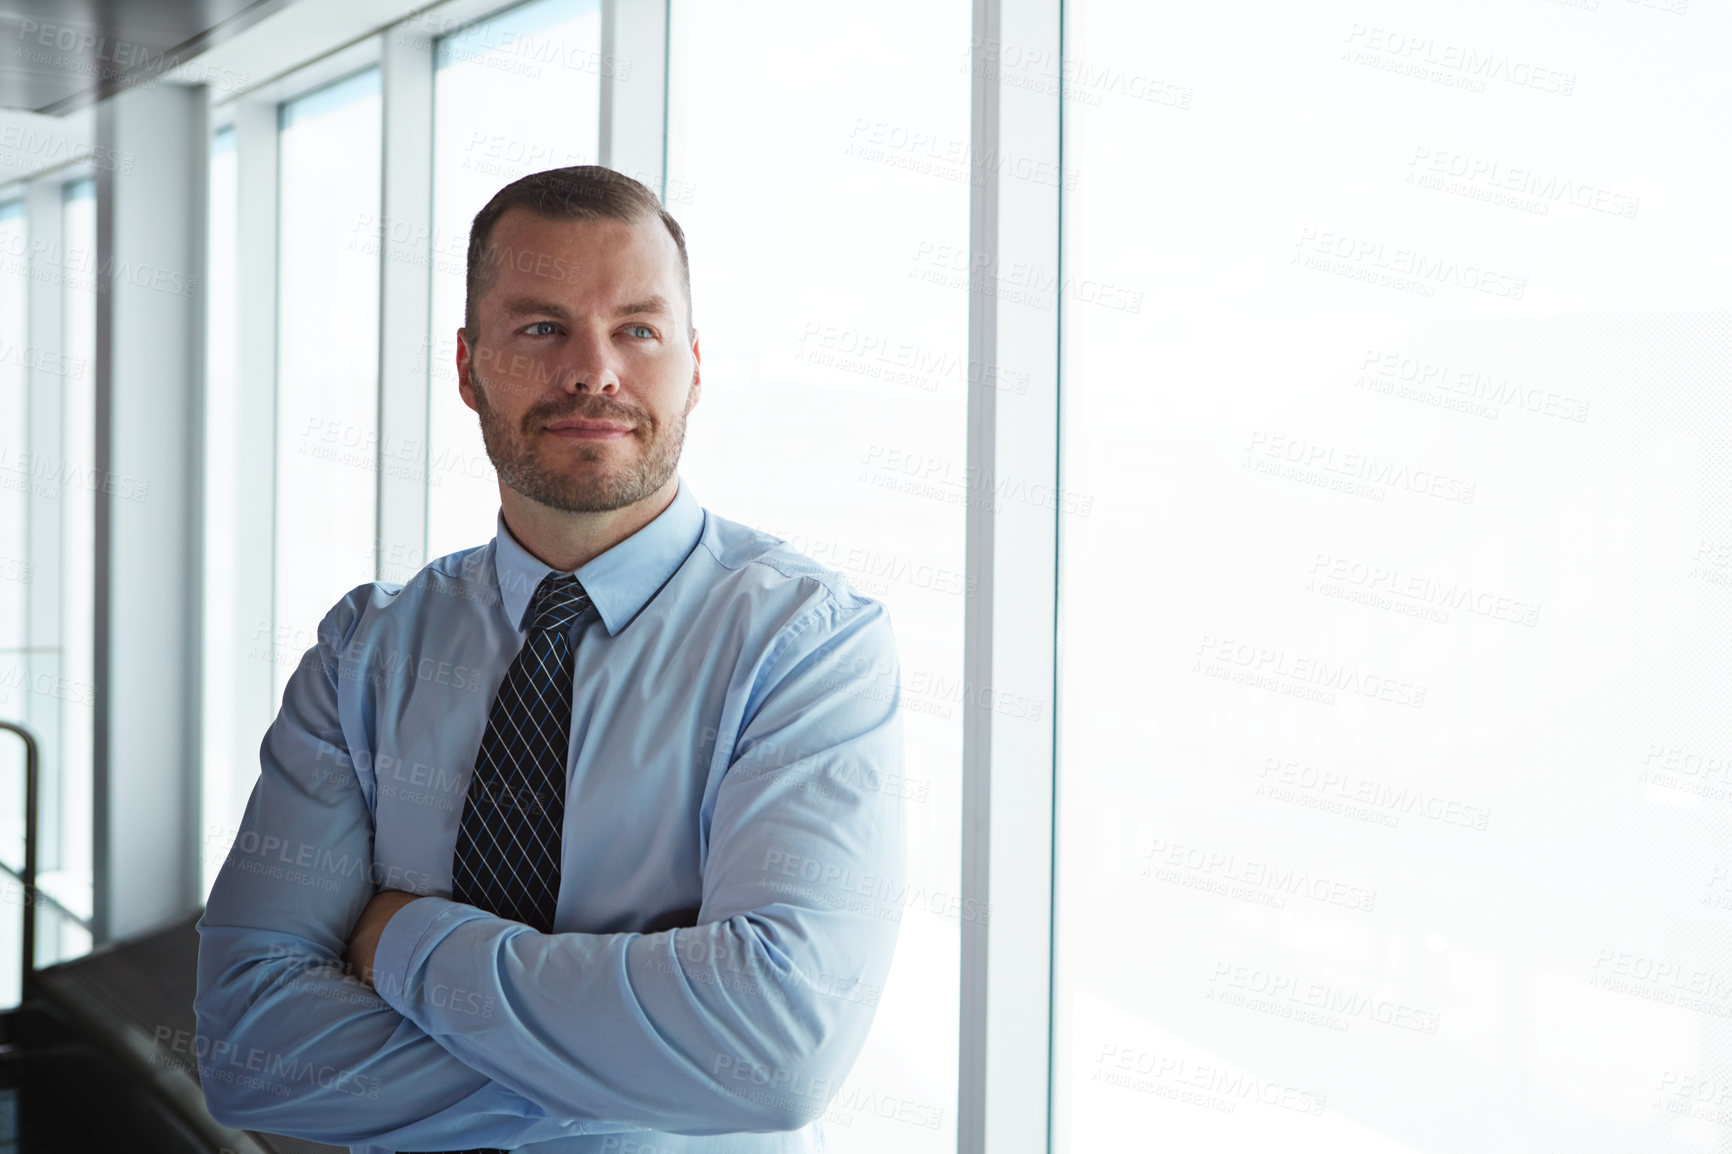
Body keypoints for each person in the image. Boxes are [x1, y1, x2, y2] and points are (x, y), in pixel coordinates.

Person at [193, 165, 907, 1154]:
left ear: (693, 364)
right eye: (539, 328)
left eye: (637, 329)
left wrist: (396, 938)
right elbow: (247, 1051)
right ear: (467, 364)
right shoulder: (367, 649)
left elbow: (774, 1053)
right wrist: (640, 1064)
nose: (592, 370)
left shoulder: (805, 643)